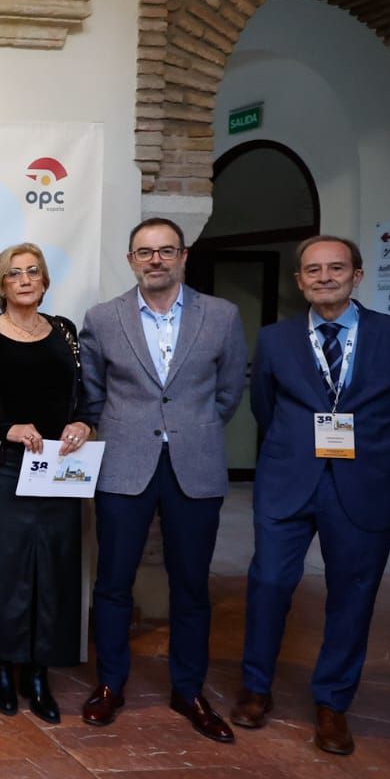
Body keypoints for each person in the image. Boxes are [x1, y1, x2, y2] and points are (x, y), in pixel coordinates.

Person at [231, 235, 390, 755]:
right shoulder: (274, 339)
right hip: (288, 481)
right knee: (269, 583)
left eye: (335, 268)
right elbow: (265, 408)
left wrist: (369, 456)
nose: (324, 277)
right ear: (299, 281)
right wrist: (301, 451)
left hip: (365, 485)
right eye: (312, 270)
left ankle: (332, 703)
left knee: (353, 596)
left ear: (357, 275)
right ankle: (256, 687)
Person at [78, 217, 248, 743]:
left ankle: (188, 690)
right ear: (131, 260)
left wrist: (190, 428)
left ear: (183, 256)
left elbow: (231, 386)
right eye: (145, 252)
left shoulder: (221, 315)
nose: (155, 259)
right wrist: (129, 430)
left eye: (165, 250)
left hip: (194, 468)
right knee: (112, 583)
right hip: (125, 466)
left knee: (193, 586)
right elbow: (93, 390)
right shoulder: (104, 318)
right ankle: (110, 685)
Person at [0, 244, 91, 724]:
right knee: (3, 571)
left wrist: (82, 425)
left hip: (59, 469)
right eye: (15, 273)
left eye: (33, 271)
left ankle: (39, 674)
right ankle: (1, 670)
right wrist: (6, 428)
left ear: (45, 279)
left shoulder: (66, 333)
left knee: (53, 572)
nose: (25, 279)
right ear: (2, 284)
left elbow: (83, 397)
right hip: (1, 468)